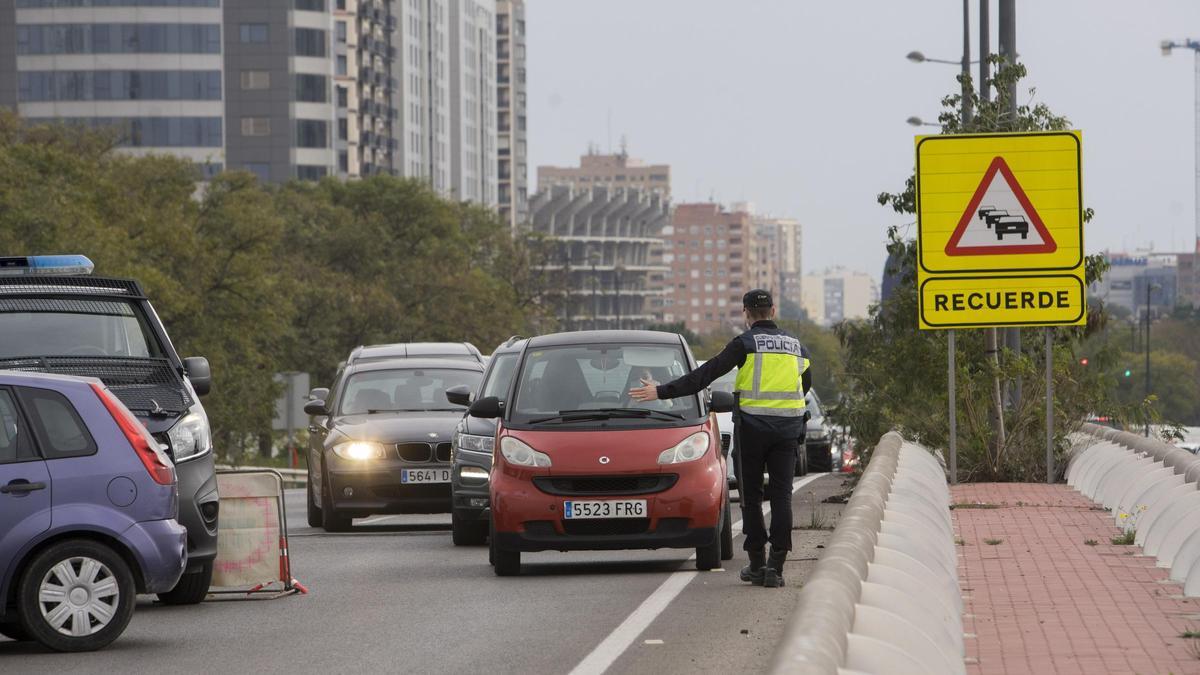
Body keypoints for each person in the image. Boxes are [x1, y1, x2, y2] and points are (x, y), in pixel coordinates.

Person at [629, 289, 811, 588]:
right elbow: (804, 387)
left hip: (753, 430)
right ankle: (775, 568)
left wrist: (661, 391)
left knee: (751, 498)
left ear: (746, 313)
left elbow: (705, 375)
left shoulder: (745, 343)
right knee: (781, 497)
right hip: (788, 431)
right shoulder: (797, 347)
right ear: (773, 311)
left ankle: (756, 563)